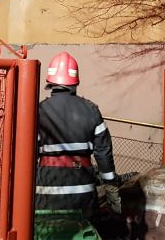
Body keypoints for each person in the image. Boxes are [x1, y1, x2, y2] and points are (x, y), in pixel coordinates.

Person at [35, 52, 122, 219]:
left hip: (46, 192)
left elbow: (27, 154)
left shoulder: (38, 111)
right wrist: (110, 185)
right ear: (75, 82)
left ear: (50, 82)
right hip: (82, 193)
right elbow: (103, 153)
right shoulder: (91, 110)